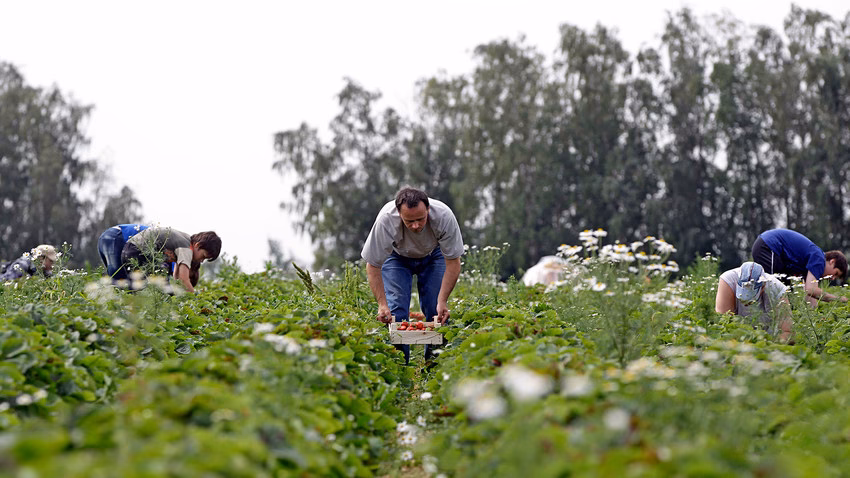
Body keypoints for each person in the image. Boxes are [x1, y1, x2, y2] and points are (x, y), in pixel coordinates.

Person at [361, 187, 464, 364]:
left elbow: (453, 262)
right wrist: (382, 305)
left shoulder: (444, 216)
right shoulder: (386, 219)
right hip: (396, 258)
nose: (416, 225)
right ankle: (401, 365)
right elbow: (373, 265)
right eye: (409, 221)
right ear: (399, 213)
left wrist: (443, 301)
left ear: (428, 209)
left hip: (434, 255)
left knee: (435, 310)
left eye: (420, 219)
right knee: (396, 311)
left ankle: (434, 365)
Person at [751, 228, 848, 306]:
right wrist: (838, 300)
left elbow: (810, 296)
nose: (833, 278)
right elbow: (811, 289)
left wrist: (816, 317)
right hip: (769, 246)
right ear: (832, 261)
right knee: (773, 289)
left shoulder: (811, 264)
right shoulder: (819, 259)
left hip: (772, 251)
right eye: (836, 273)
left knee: (786, 294)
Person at [121, 227, 221, 293]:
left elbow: (177, 277)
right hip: (138, 252)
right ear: (197, 245)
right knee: (147, 290)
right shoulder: (187, 249)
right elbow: (183, 279)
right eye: (203, 256)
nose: (202, 261)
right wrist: (195, 298)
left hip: (130, 250)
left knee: (140, 288)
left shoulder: (185, 241)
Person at [715, 261, 793, 343]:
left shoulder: (777, 288)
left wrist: (766, 346)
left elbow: (788, 332)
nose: (746, 303)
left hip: (767, 338)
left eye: (751, 299)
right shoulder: (728, 280)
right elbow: (724, 323)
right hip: (737, 338)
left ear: (763, 287)